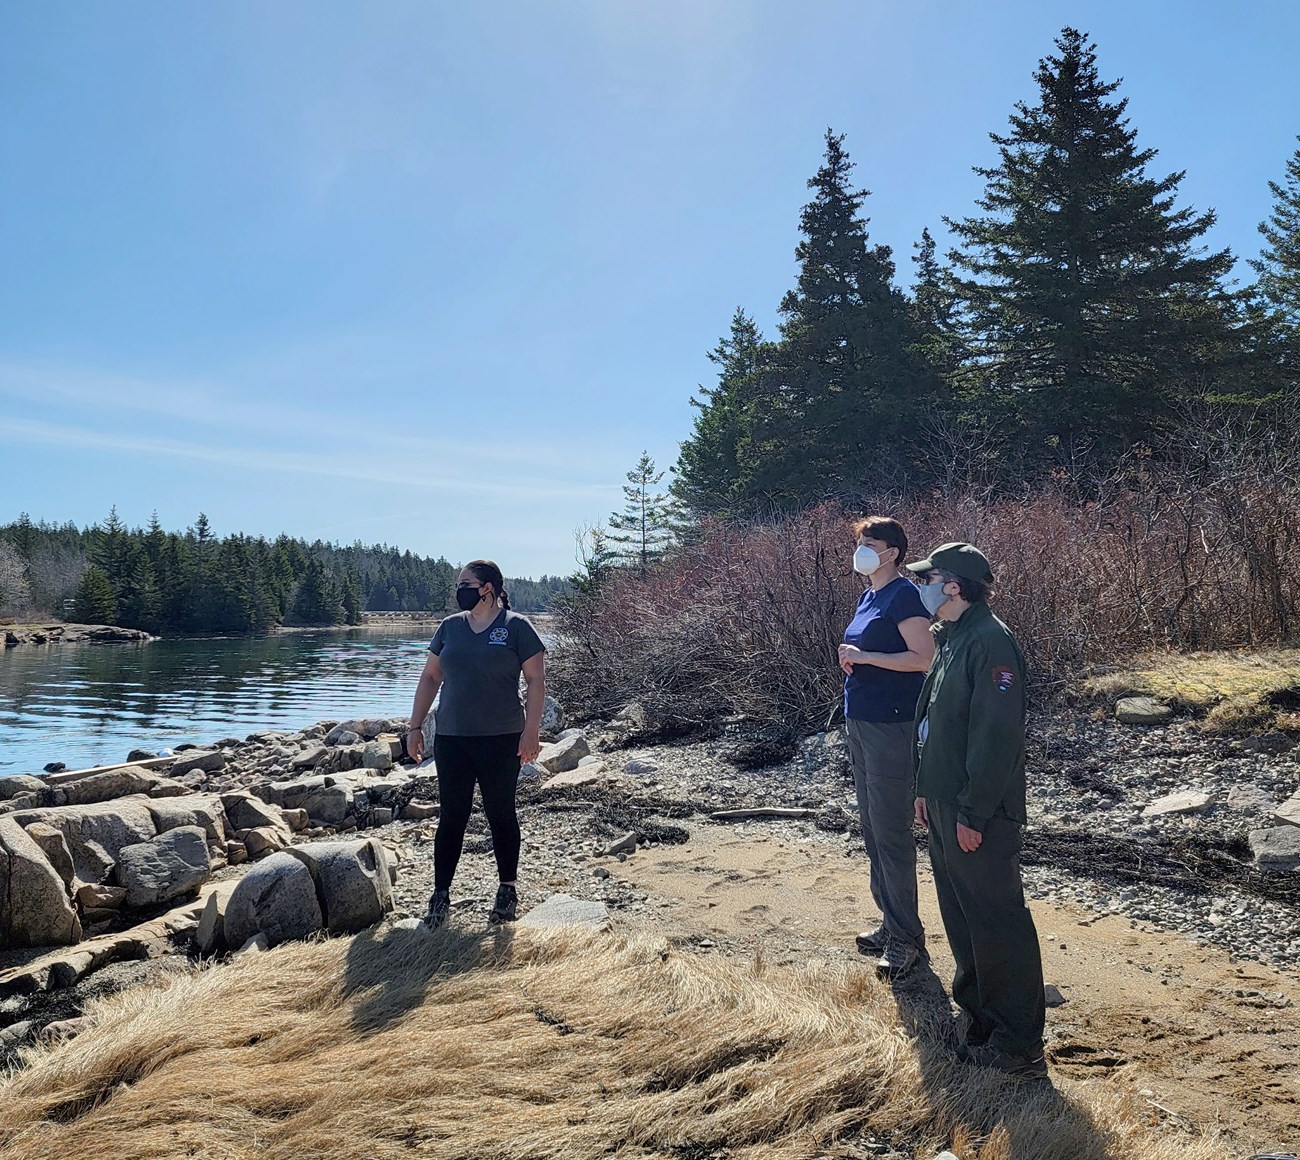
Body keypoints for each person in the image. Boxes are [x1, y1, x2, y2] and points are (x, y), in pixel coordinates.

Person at [907, 542, 1047, 1081]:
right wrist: (925, 788)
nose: (921, 584)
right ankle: (980, 1021)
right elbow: (938, 725)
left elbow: (996, 736)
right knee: (962, 917)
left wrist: (973, 811)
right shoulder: (952, 637)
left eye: (930, 576)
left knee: (996, 922)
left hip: (978, 810)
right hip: (944, 800)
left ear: (954, 585)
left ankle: (1018, 1048)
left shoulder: (992, 642)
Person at [406, 560, 546, 930]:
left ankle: (507, 889)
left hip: (502, 738)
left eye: (465, 583)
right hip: (453, 738)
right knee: (453, 816)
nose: (459, 590)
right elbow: (431, 677)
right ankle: (440, 894)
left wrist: (531, 731)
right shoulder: (450, 628)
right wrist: (415, 726)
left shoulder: (517, 627)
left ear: (487, 588)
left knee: (501, 813)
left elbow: (535, 681)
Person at [837, 516, 936, 981]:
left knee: (892, 832)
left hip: (892, 727)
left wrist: (866, 656)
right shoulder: (869, 595)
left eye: (869, 543)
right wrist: (851, 655)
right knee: (873, 829)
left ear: (892, 551)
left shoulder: (905, 596)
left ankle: (905, 940)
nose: (861, 550)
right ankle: (891, 921)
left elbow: (922, 658)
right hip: (861, 722)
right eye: (859, 543)